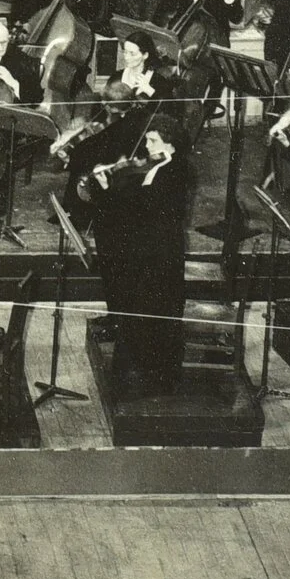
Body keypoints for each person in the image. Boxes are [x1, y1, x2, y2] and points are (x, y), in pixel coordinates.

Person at [83, 123, 193, 398]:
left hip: (160, 256)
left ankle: (154, 380)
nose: (147, 146)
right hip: (149, 250)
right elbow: (135, 200)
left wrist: (106, 189)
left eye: (153, 141)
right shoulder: (159, 167)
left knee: (154, 313)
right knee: (142, 311)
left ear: (170, 145)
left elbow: (141, 207)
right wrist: (109, 186)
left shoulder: (176, 171)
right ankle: (142, 371)